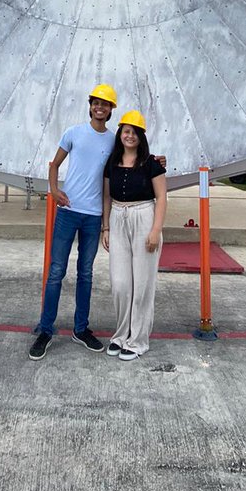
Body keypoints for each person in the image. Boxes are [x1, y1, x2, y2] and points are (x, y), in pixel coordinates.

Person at [28, 84, 118, 361]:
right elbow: (53, 164)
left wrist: (105, 223)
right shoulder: (74, 133)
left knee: (86, 274)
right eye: (96, 103)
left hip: (93, 217)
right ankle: (46, 330)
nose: (100, 107)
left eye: (105, 104)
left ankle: (81, 329)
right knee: (56, 272)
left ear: (111, 110)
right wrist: (54, 191)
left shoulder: (113, 141)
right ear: (90, 105)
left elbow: (114, 178)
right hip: (68, 213)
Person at [101, 110, 167, 361]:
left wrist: (155, 230)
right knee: (120, 284)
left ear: (141, 137)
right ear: (120, 134)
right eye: (126, 131)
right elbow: (106, 196)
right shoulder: (111, 162)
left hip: (144, 217)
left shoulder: (151, 163)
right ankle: (120, 335)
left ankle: (138, 340)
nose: (129, 136)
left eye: (134, 132)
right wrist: (106, 227)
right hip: (118, 217)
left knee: (142, 285)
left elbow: (162, 198)